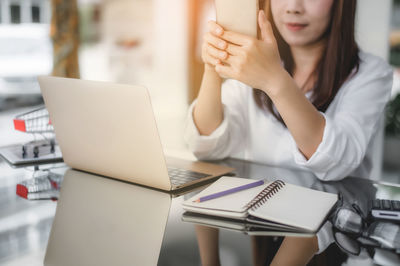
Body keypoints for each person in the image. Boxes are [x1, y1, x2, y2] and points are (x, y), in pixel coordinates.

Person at [184, 0, 393, 265]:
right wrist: (212, 67)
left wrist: (276, 80)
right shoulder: (255, 64)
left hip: (337, 240)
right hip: (261, 225)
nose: (293, 7)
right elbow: (206, 144)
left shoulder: (370, 74)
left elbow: (335, 163)